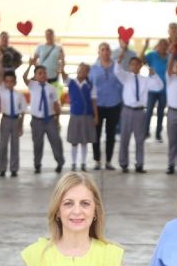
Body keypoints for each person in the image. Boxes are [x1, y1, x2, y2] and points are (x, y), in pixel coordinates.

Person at [114, 40, 163, 173]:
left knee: (139, 139)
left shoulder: (146, 80)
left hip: (140, 112)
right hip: (127, 110)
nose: (135, 66)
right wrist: (119, 60)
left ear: (141, 66)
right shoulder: (126, 77)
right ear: (130, 66)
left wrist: (154, 74)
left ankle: (139, 164)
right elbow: (117, 71)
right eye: (133, 64)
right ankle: (123, 163)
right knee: (124, 138)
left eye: (137, 64)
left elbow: (159, 86)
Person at [23, 61, 64, 174]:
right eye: (40, 73)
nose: (43, 75)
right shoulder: (32, 85)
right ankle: (37, 164)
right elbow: (24, 77)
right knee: (37, 143)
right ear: (35, 75)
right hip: (37, 120)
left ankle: (60, 162)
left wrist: (58, 120)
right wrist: (30, 65)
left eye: (44, 73)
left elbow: (56, 105)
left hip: (50, 119)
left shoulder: (51, 88)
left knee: (56, 141)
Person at [88, 43, 123, 171]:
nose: (106, 51)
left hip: (114, 104)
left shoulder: (117, 67)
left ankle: (108, 161)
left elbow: (123, 82)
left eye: (108, 49)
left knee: (111, 134)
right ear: (99, 52)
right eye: (103, 49)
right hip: (97, 104)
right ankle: (97, 160)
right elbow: (90, 86)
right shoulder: (93, 68)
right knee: (96, 134)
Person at [63, 62, 96, 172]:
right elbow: (64, 76)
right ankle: (73, 163)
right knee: (74, 140)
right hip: (75, 115)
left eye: (84, 70)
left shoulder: (90, 85)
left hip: (87, 115)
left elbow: (94, 101)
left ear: (87, 72)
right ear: (77, 70)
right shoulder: (71, 82)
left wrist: (96, 116)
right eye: (80, 69)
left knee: (84, 141)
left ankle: (83, 163)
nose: (81, 71)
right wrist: (62, 66)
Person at [0, 68, 26, 177]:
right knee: (3, 144)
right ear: (4, 82)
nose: (9, 83)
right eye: (7, 81)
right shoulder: (2, 91)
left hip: (15, 120)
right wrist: (0, 62)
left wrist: (21, 126)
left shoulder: (19, 95)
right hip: (5, 119)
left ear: (15, 82)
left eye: (11, 81)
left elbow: (23, 111)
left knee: (15, 145)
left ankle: (14, 168)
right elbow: (0, 76)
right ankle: (2, 168)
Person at [145, 39, 170, 142]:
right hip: (152, 89)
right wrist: (145, 46)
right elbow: (141, 60)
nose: (163, 47)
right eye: (161, 44)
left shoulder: (169, 57)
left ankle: (158, 134)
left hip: (164, 90)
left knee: (161, 112)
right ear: (158, 45)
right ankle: (145, 132)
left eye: (165, 45)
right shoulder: (152, 55)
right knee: (149, 111)